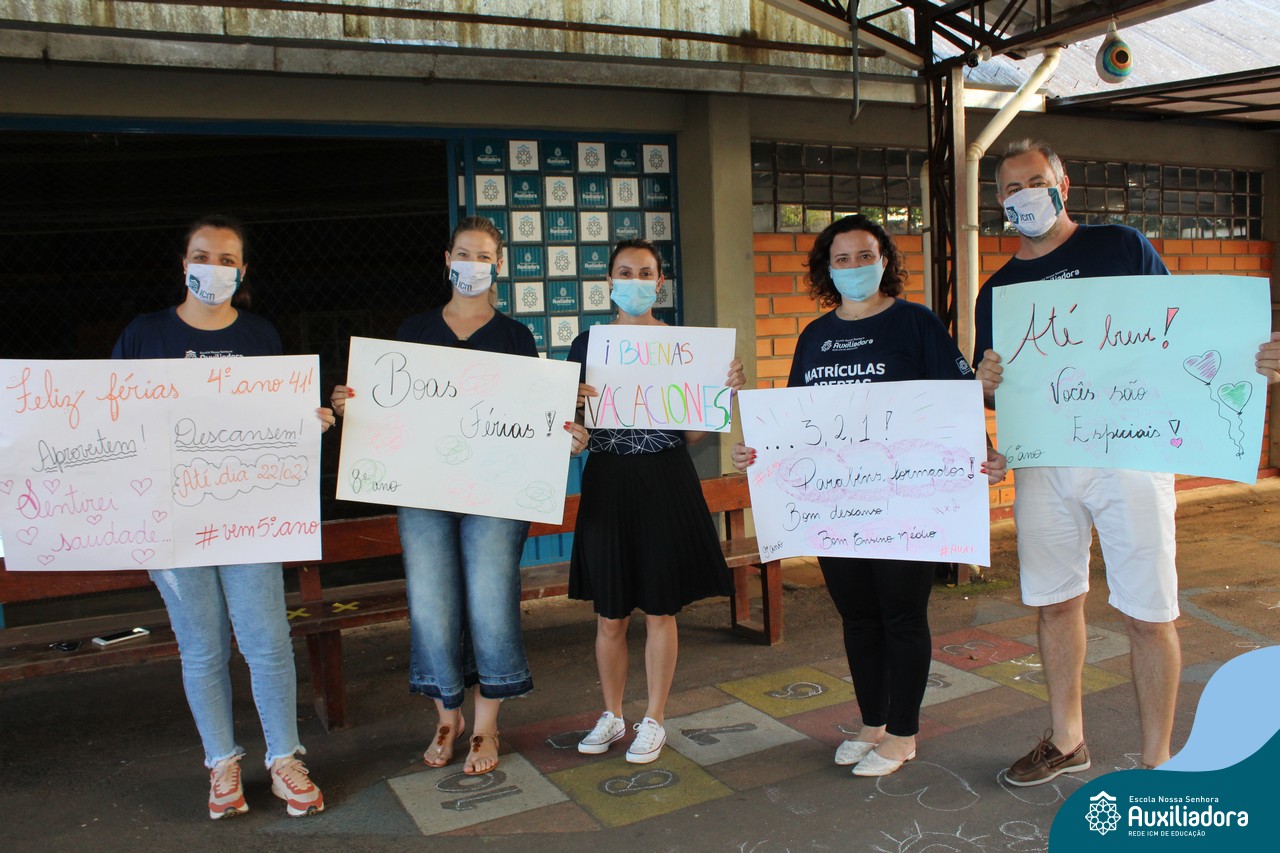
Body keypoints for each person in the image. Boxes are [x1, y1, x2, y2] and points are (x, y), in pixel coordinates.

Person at [973, 138, 1280, 785]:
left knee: (1149, 611)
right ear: (999, 202)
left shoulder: (1121, 246)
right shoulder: (998, 291)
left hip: (1131, 454)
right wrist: (987, 385)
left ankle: (1158, 762)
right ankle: (1067, 741)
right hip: (1046, 465)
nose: (1026, 194)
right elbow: (996, 393)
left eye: (1036, 180)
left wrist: (1251, 359)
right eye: (1012, 188)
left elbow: (1185, 330)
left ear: (1062, 185)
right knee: (1056, 602)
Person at [730, 214, 1007, 778]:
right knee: (857, 617)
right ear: (826, 269)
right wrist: (758, 453)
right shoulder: (814, 336)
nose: (854, 267)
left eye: (865, 256)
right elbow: (797, 421)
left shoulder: (916, 323)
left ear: (885, 261)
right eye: (842, 259)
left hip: (906, 504)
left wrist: (985, 454)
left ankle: (903, 733)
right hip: (836, 507)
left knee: (902, 615)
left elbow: (956, 400)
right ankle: (872, 724)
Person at [112, 214, 332, 820]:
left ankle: (284, 758)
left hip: (250, 518)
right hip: (172, 524)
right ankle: (221, 762)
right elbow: (113, 421)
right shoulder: (144, 335)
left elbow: (278, 417)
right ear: (183, 264)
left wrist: (305, 425)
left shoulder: (260, 335)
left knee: (267, 643)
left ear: (243, 270)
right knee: (202, 650)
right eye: (202, 256)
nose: (214, 268)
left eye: (227, 259)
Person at [331, 216, 566, 776]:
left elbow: (530, 415)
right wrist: (352, 405)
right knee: (432, 601)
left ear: (499, 265)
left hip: (495, 494)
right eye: (464, 253)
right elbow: (388, 407)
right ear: (446, 259)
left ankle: (486, 725)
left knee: (489, 598)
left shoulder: (515, 337)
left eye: (483, 256)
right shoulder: (413, 331)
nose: (472, 265)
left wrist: (561, 422)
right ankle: (446, 717)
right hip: (423, 490)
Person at [567, 238, 744, 764]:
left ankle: (655, 718)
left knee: (661, 609)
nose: (635, 281)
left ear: (660, 282)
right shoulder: (587, 345)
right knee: (610, 613)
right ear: (609, 281)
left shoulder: (684, 346)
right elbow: (573, 428)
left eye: (646, 272)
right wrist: (571, 430)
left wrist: (721, 394)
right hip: (608, 481)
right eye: (625, 272)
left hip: (666, 479)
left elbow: (691, 435)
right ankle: (612, 713)